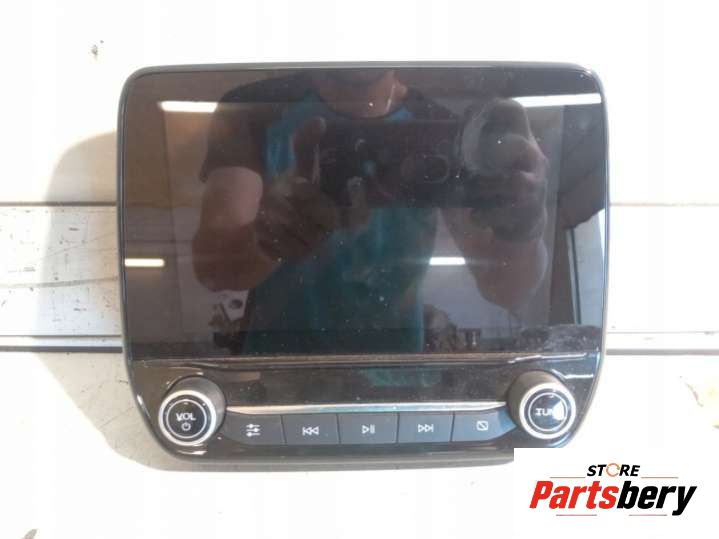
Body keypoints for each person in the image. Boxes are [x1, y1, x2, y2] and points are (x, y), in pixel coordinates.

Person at [192, 69, 548, 354]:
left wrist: (524, 222)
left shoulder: (256, 108)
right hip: (365, 373)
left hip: (293, 368)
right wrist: (524, 225)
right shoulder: (251, 110)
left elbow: (509, 291)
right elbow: (213, 271)